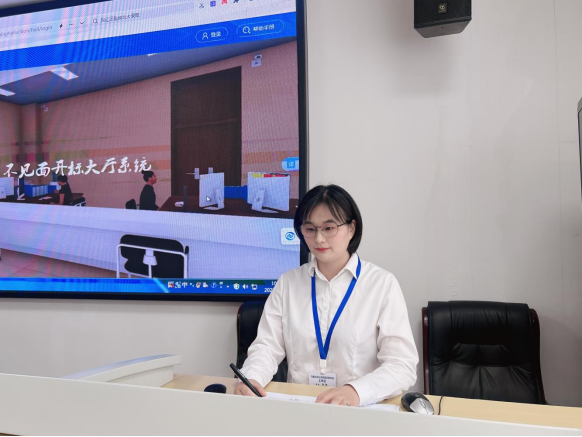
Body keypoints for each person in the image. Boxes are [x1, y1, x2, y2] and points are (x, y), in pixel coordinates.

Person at [235, 185, 419, 407]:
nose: (319, 239)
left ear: (351, 228)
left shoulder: (381, 284)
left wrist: (356, 391)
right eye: (310, 229)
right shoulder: (288, 283)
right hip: (300, 408)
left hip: (358, 409)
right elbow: (267, 347)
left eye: (329, 228)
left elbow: (401, 365)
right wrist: (252, 377)